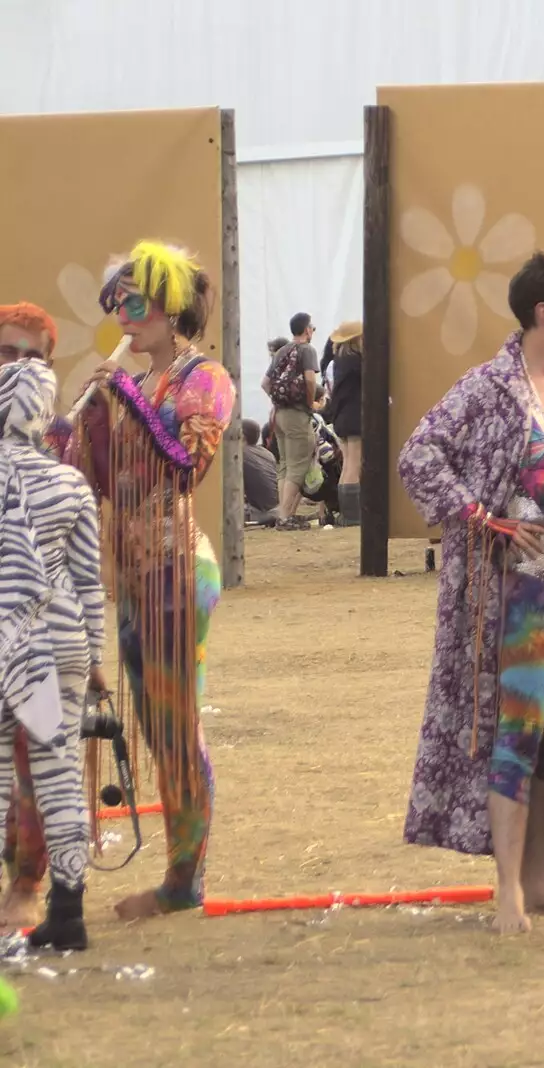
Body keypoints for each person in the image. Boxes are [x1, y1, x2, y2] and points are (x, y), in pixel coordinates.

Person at [396, 251, 544, 935]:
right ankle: (507, 887)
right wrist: (481, 518)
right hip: (514, 594)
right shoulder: (488, 388)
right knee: (520, 728)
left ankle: (538, 877)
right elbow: (417, 455)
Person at [72, 241, 236, 920]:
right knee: (154, 721)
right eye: (116, 305)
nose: (123, 319)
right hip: (138, 574)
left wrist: (130, 409)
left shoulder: (207, 378)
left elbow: (185, 466)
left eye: (134, 305)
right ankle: (179, 874)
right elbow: (108, 482)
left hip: (178, 566)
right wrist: (82, 431)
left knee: (175, 724)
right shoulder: (136, 384)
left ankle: (182, 881)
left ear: (170, 309)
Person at [0, 358, 103, 951]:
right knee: (58, 771)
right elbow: (89, 583)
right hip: (57, 642)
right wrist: (94, 661)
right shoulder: (69, 483)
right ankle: (68, 911)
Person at [0, 302, 64, 931]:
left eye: (30, 358)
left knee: (33, 754)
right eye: (5, 354)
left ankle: (26, 879)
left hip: (35, 634)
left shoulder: (62, 445)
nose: (16, 369)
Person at [262, 313, 321, 530]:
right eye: (312, 328)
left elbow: (265, 384)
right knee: (298, 464)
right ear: (307, 330)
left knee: (285, 465)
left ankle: (284, 513)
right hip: (297, 414)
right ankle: (285, 517)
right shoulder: (307, 350)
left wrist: (278, 401)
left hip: (279, 414)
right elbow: (310, 379)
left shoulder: (281, 351)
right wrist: (308, 403)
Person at [323, 321, 363, 525]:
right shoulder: (356, 361)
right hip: (355, 416)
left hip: (341, 417)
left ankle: (346, 513)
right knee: (354, 464)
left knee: (348, 463)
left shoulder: (338, 360)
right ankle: (353, 515)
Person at [240, 419, 279, 525]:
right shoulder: (267, 454)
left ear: (242, 436)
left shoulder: (239, 455)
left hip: (258, 512)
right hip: (277, 509)